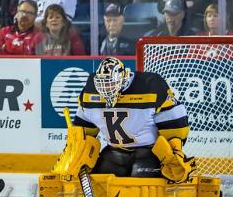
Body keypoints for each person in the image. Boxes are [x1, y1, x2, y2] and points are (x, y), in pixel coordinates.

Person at [61, 57, 195, 182]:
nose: (106, 89)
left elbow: (174, 125)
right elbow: (84, 130)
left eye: (110, 83)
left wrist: (175, 151)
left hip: (148, 152)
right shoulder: (89, 93)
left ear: (123, 78)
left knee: (139, 185)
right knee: (100, 182)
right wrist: (76, 153)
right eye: (102, 84)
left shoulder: (149, 86)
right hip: (114, 152)